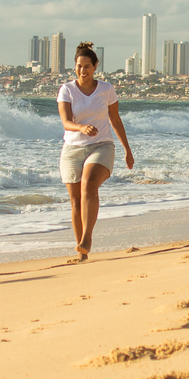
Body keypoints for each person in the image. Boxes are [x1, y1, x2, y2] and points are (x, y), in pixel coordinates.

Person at [57, 41, 134, 262]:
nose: (83, 70)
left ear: (95, 66)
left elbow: (116, 120)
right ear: (75, 67)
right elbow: (66, 122)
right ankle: (81, 251)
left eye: (87, 66)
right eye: (79, 66)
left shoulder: (106, 89)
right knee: (74, 200)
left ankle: (87, 238)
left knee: (89, 185)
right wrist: (81, 127)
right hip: (72, 148)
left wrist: (127, 150)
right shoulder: (67, 90)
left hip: (101, 145)